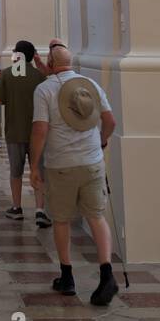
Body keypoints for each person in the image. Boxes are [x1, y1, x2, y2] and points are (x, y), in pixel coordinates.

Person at [30, 46, 118, 306]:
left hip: (61, 166)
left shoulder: (45, 89)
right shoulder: (89, 83)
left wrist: (34, 166)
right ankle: (107, 274)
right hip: (92, 162)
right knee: (96, 216)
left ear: (49, 62)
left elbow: (40, 130)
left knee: (61, 219)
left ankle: (67, 277)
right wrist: (101, 141)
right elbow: (110, 121)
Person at [0, 40, 51, 228]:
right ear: (32, 55)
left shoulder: (8, 74)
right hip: (37, 132)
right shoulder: (39, 75)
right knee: (39, 171)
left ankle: (17, 208)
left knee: (16, 172)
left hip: (15, 131)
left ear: (17, 55)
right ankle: (40, 210)